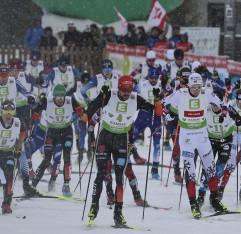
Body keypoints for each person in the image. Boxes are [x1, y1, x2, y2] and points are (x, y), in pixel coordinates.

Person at [85, 76, 162, 227]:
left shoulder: (136, 99)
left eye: (129, 89)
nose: (127, 93)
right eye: (124, 89)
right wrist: (101, 95)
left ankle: (118, 213)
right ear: (119, 88)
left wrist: (157, 99)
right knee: (101, 173)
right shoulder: (110, 95)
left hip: (122, 139)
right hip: (105, 137)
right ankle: (94, 206)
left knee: (120, 177)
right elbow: (90, 110)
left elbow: (157, 113)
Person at [162, 73, 227, 218]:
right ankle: (194, 205)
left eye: (199, 87)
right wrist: (169, 113)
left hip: (202, 136)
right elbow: (164, 103)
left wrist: (219, 111)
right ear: (188, 86)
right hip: (187, 138)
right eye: (194, 87)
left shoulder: (207, 92)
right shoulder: (180, 93)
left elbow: (221, 105)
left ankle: (215, 201)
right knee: (190, 172)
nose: (197, 90)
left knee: (211, 169)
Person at [31, 84, 84, 196]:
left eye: (62, 97)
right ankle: (32, 186)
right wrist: (35, 113)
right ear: (53, 96)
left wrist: (81, 112)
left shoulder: (71, 101)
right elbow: (35, 109)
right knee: (47, 160)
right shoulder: (47, 101)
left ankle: (66, 186)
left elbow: (83, 113)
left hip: (66, 132)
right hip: (52, 132)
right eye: (57, 97)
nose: (60, 99)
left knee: (67, 158)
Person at [130, 67, 164, 178]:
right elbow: (131, 96)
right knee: (130, 137)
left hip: (156, 117)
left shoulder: (161, 85)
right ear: (148, 76)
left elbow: (166, 99)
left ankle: (155, 168)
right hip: (143, 115)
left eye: (156, 77)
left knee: (157, 143)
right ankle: (131, 154)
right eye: (152, 77)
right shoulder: (141, 84)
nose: (154, 80)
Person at [0, 100, 28, 214]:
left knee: (9, 177)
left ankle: (6, 203)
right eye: (6, 111)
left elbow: (23, 131)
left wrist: (18, 147)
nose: (8, 114)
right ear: (2, 112)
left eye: (11, 111)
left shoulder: (18, 122)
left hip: (8, 153)